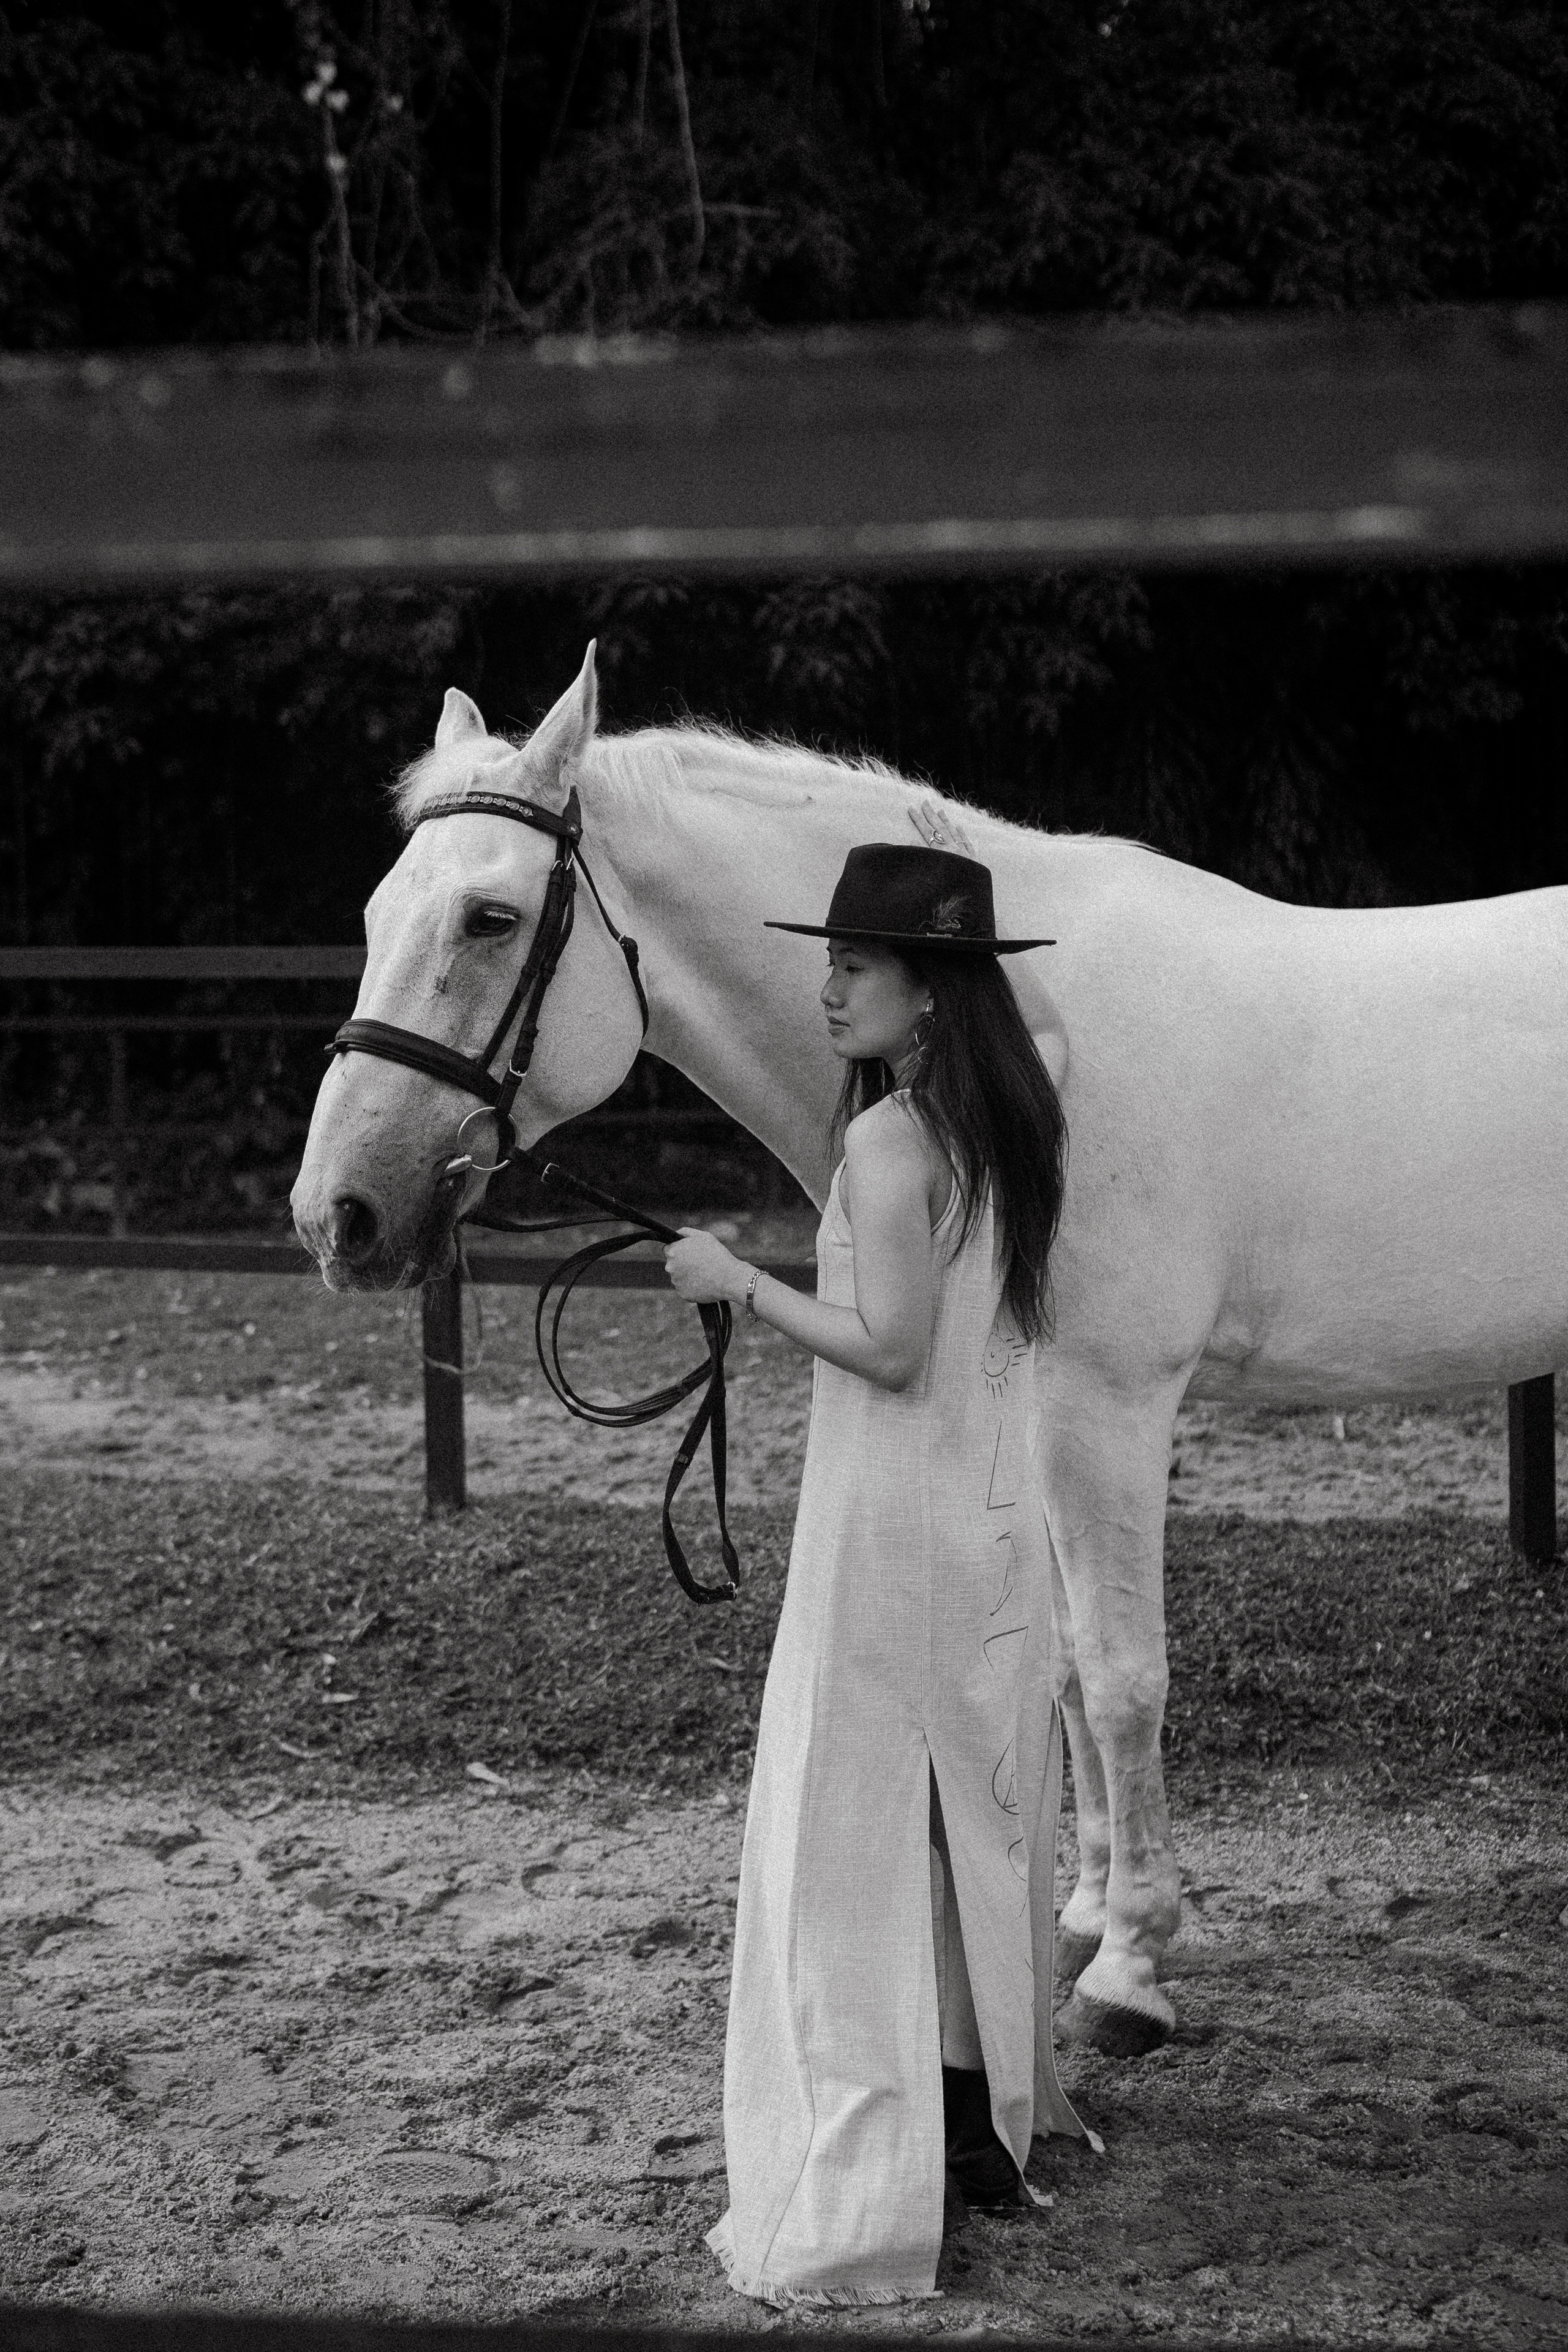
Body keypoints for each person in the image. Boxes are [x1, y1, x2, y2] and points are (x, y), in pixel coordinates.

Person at [663, 839, 1097, 2310]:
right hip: (987, 1519)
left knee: (863, 1822)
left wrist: (741, 1283)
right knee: (963, 1816)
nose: (827, 984)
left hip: (896, 1522)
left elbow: (893, 1348)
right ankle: (977, 2115)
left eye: (857, 963)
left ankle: (891, 2135)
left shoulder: (889, 1140)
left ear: (929, 993)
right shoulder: (1011, 1116)